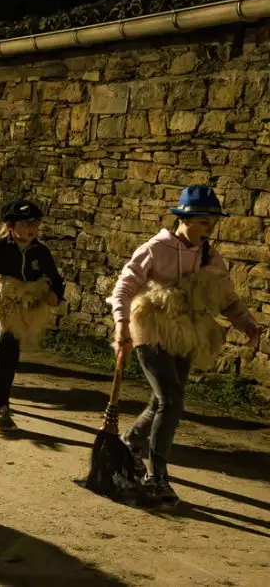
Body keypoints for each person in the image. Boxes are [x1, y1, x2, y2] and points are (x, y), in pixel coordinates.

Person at [109, 186, 264, 505]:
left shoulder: (210, 256)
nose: (210, 230)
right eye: (205, 222)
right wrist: (122, 325)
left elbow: (226, 298)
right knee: (172, 398)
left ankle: (129, 442)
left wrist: (246, 323)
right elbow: (125, 286)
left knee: (161, 401)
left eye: (213, 223)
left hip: (187, 333)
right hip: (152, 329)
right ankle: (157, 474)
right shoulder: (155, 248)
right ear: (185, 218)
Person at [0, 199, 65, 431]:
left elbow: (57, 281)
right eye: (25, 223)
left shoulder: (40, 252)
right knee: (8, 349)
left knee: (2, 345)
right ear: (11, 226)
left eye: (35, 223)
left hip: (22, 306)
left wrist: (56, 295)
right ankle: (0, 408)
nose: (32, 228)